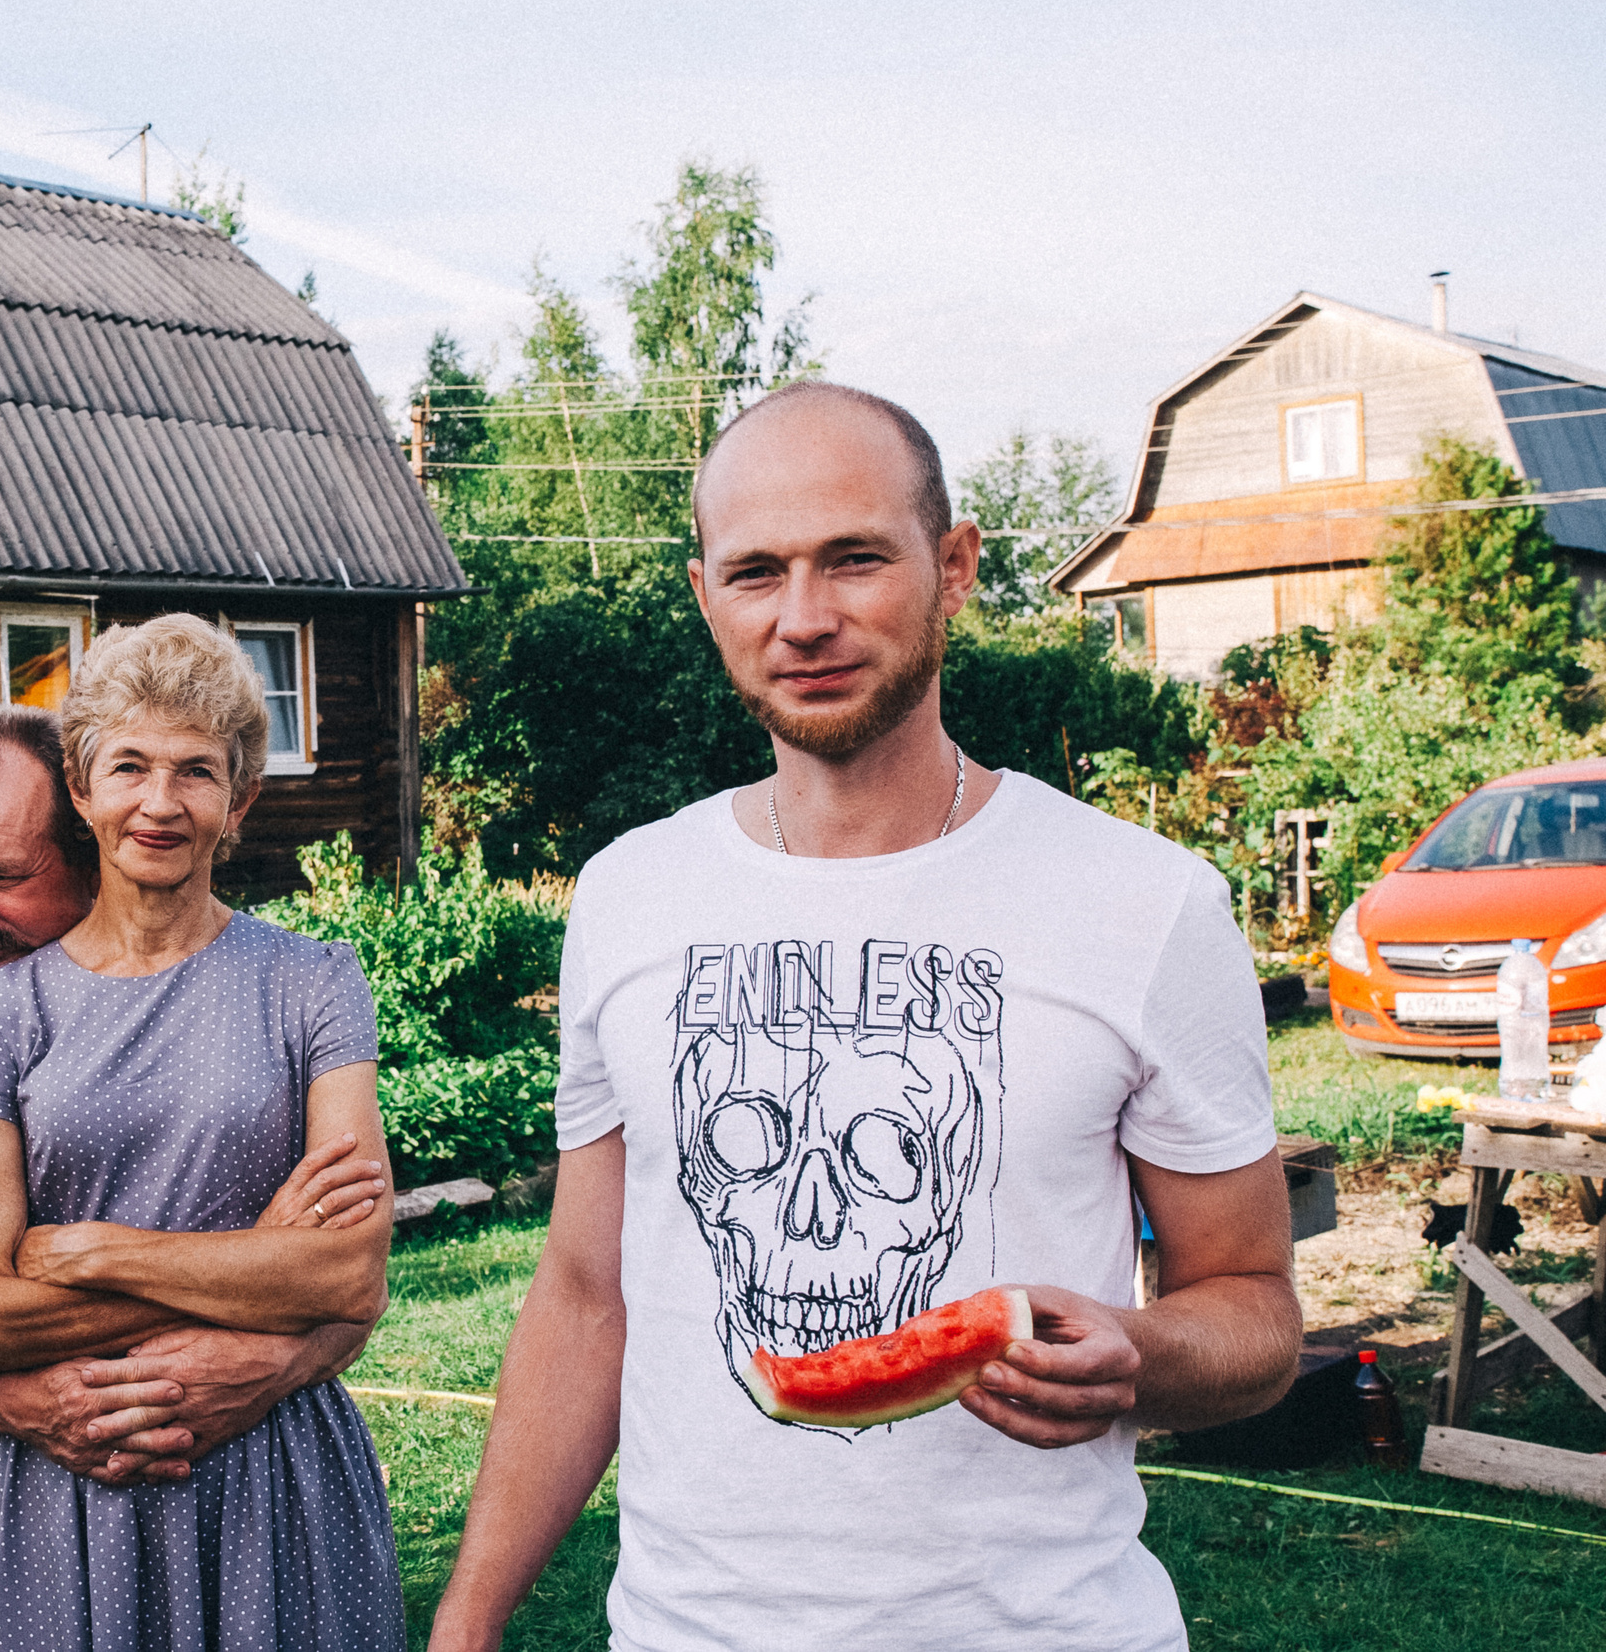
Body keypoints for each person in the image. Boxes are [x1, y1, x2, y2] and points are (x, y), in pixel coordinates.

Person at [428, 383, 1302, 1652]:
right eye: (755, 573)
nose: (804, 619)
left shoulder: (1145, 903)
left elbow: (1252, 1308)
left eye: (854, 559)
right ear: (702, 595)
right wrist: (466, 1624)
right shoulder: (627, 895)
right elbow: (581, 1296)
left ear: (953, 569)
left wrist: (1142, 1351)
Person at [0, 705, 378, 1652]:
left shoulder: (239, 999)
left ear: (87, 843)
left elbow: (344, 1280)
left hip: (144, 1530)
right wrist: (248, 1269)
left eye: (3, 877)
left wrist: (276, 1349)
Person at [0, 614, 408, 1652]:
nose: (159, 803)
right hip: (79, 1484)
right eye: (129, 766)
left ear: (238, 799)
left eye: (196, 771)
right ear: (80, 784)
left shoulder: (315, 985)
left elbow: (349, 1277)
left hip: (275, 1467)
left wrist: (91, 1252)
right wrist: (260, 1263)